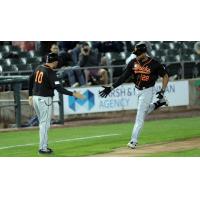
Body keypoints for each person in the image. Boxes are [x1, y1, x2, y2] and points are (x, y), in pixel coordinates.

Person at [99, 42, 169, 149]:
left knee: (139, 117)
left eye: (138, 53)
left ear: (144, 53)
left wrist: (163, 90)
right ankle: (160, 102)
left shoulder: (154, 64)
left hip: (147, 91)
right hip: (137, 90)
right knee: (144, 111)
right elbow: (123, 77)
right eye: (136, 53)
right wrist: (111, 88)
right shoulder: (133, 62)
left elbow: (165, 76)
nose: (136, 55)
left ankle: (133, 141)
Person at [28, 53, 84, 154]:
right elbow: (60, 89)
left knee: (42, 123)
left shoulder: (38, 67)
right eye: (57, 61)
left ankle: (43, 146)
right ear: (54, 62)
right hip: (44, 100)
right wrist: (74, 94)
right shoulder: (50, 73)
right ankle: (43, 148)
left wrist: (29, 95)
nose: (57, 63)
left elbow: (30, 79)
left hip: (35, 98)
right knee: (45, 124)